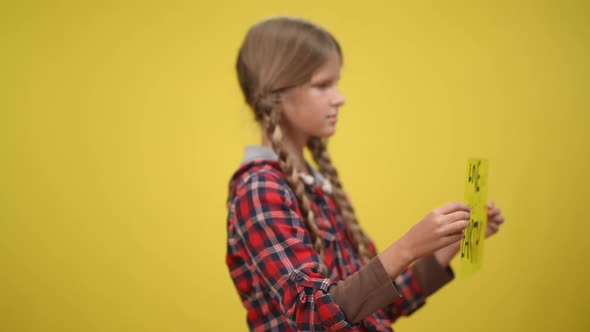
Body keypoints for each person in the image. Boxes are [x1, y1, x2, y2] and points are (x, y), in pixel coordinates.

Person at [225, 16, 505, 332]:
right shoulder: (260, 188)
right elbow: (314, 314)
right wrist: (409, 246)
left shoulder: (314, 185)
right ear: (276, 93)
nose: (339, 98)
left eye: (336, 83)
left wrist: (445, 245)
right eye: (322, 85)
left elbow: (377, 307)